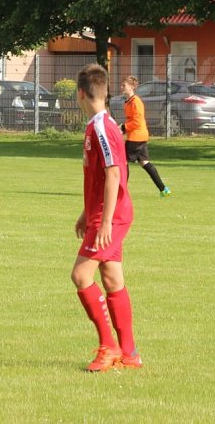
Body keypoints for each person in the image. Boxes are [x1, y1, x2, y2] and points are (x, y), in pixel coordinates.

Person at [72, 64, 141, 372]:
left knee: (81, 276)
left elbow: (114, 174)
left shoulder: (101, 127)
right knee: (112, 279)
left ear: (81, 94)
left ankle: (108, 346)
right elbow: (101, 177)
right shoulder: (99, 124)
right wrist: (87, 213)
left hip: (111, 215)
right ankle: (130, 353)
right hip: (105, 213)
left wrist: (104, 222)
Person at [119, 76, 171, 198]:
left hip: (136, 137)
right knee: (145, 162)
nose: (122, 87)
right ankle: (163, 189)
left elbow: (136, 121)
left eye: (124, 86)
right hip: (139, 136)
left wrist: (123, 128)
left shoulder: (135, 102)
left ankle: (122, 192)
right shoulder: (129, 101)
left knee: (123, 161)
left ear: (131, 87)